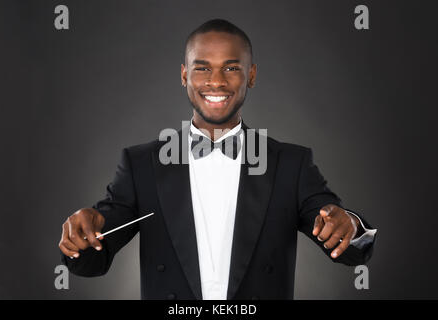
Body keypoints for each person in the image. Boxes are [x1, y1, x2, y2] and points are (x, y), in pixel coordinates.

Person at [59, 19, 377, 300]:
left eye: (231, 67)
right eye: (202, 67)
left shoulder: (290, 164)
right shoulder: (141, 164)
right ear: (184, 75)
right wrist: (81, 237)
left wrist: (348, 224)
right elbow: (91, 261)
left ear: (251, 75)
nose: (216, 81)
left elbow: (349, 248)